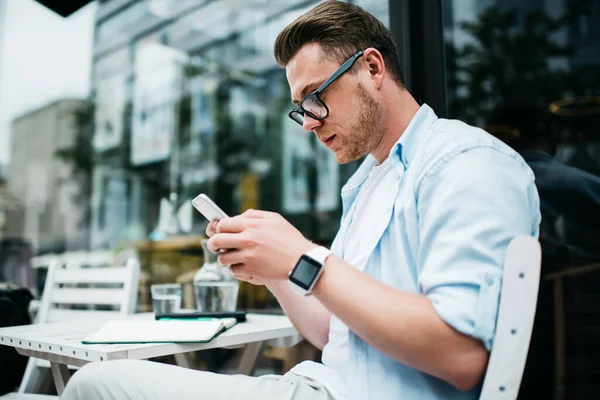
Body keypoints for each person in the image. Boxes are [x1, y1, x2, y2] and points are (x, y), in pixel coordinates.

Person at [61, 1, 540, 399]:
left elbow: (462, 355)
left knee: (94, 384)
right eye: (301, 107)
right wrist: (276, 271)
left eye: (316, 96)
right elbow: (337, 333)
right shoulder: (368, 182)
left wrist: (304, 257)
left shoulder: (464, 163)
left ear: (372, 68)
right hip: (317, 386)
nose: (309, 121)